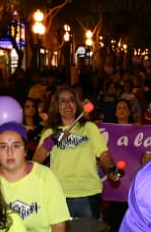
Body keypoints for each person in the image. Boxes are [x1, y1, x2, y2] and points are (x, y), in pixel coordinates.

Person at [36, 86, 120, 220]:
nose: (67, 105)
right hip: (61, 194)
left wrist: (111, 168)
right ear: (56, 107)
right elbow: (36, 161)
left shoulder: (90, 128)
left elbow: (104, 155)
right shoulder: (50, 132)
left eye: (71, 100)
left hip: (89, 193)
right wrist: (52, 140)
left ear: (77, 104)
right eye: (62, 101)